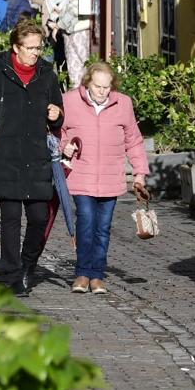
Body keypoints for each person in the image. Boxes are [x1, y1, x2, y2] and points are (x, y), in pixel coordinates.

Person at [0, 19, 63, 295]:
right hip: (5, 157)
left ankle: (27, 266)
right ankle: (12, 274)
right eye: (30, 48)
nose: (36, 53)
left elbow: (58, 111)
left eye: (39, 47)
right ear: (16, 47)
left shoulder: (47, 74)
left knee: (38, 217)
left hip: (36, 156)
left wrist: (57, 115)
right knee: (10, 217)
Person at [61, 61, 149, 295]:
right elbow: (56, 131)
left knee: (103, 228)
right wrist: (64, 146)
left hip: (111, 177)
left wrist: (140, 173)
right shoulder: (69, 101)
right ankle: (82, 273)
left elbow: (134, 139)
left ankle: (97, 275)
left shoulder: (123, 104)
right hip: (81, 175)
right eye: (98, 87)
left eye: (107, 87)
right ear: (88, 83)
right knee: (86, 222)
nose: (102, 92)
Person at [56, 0, 91, 89]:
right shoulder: (70, 0)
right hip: (71, 38)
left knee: (80, 64)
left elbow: (67, 19)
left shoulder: (79, 0)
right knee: (73, 66)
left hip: (78, 36)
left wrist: (57, 25)